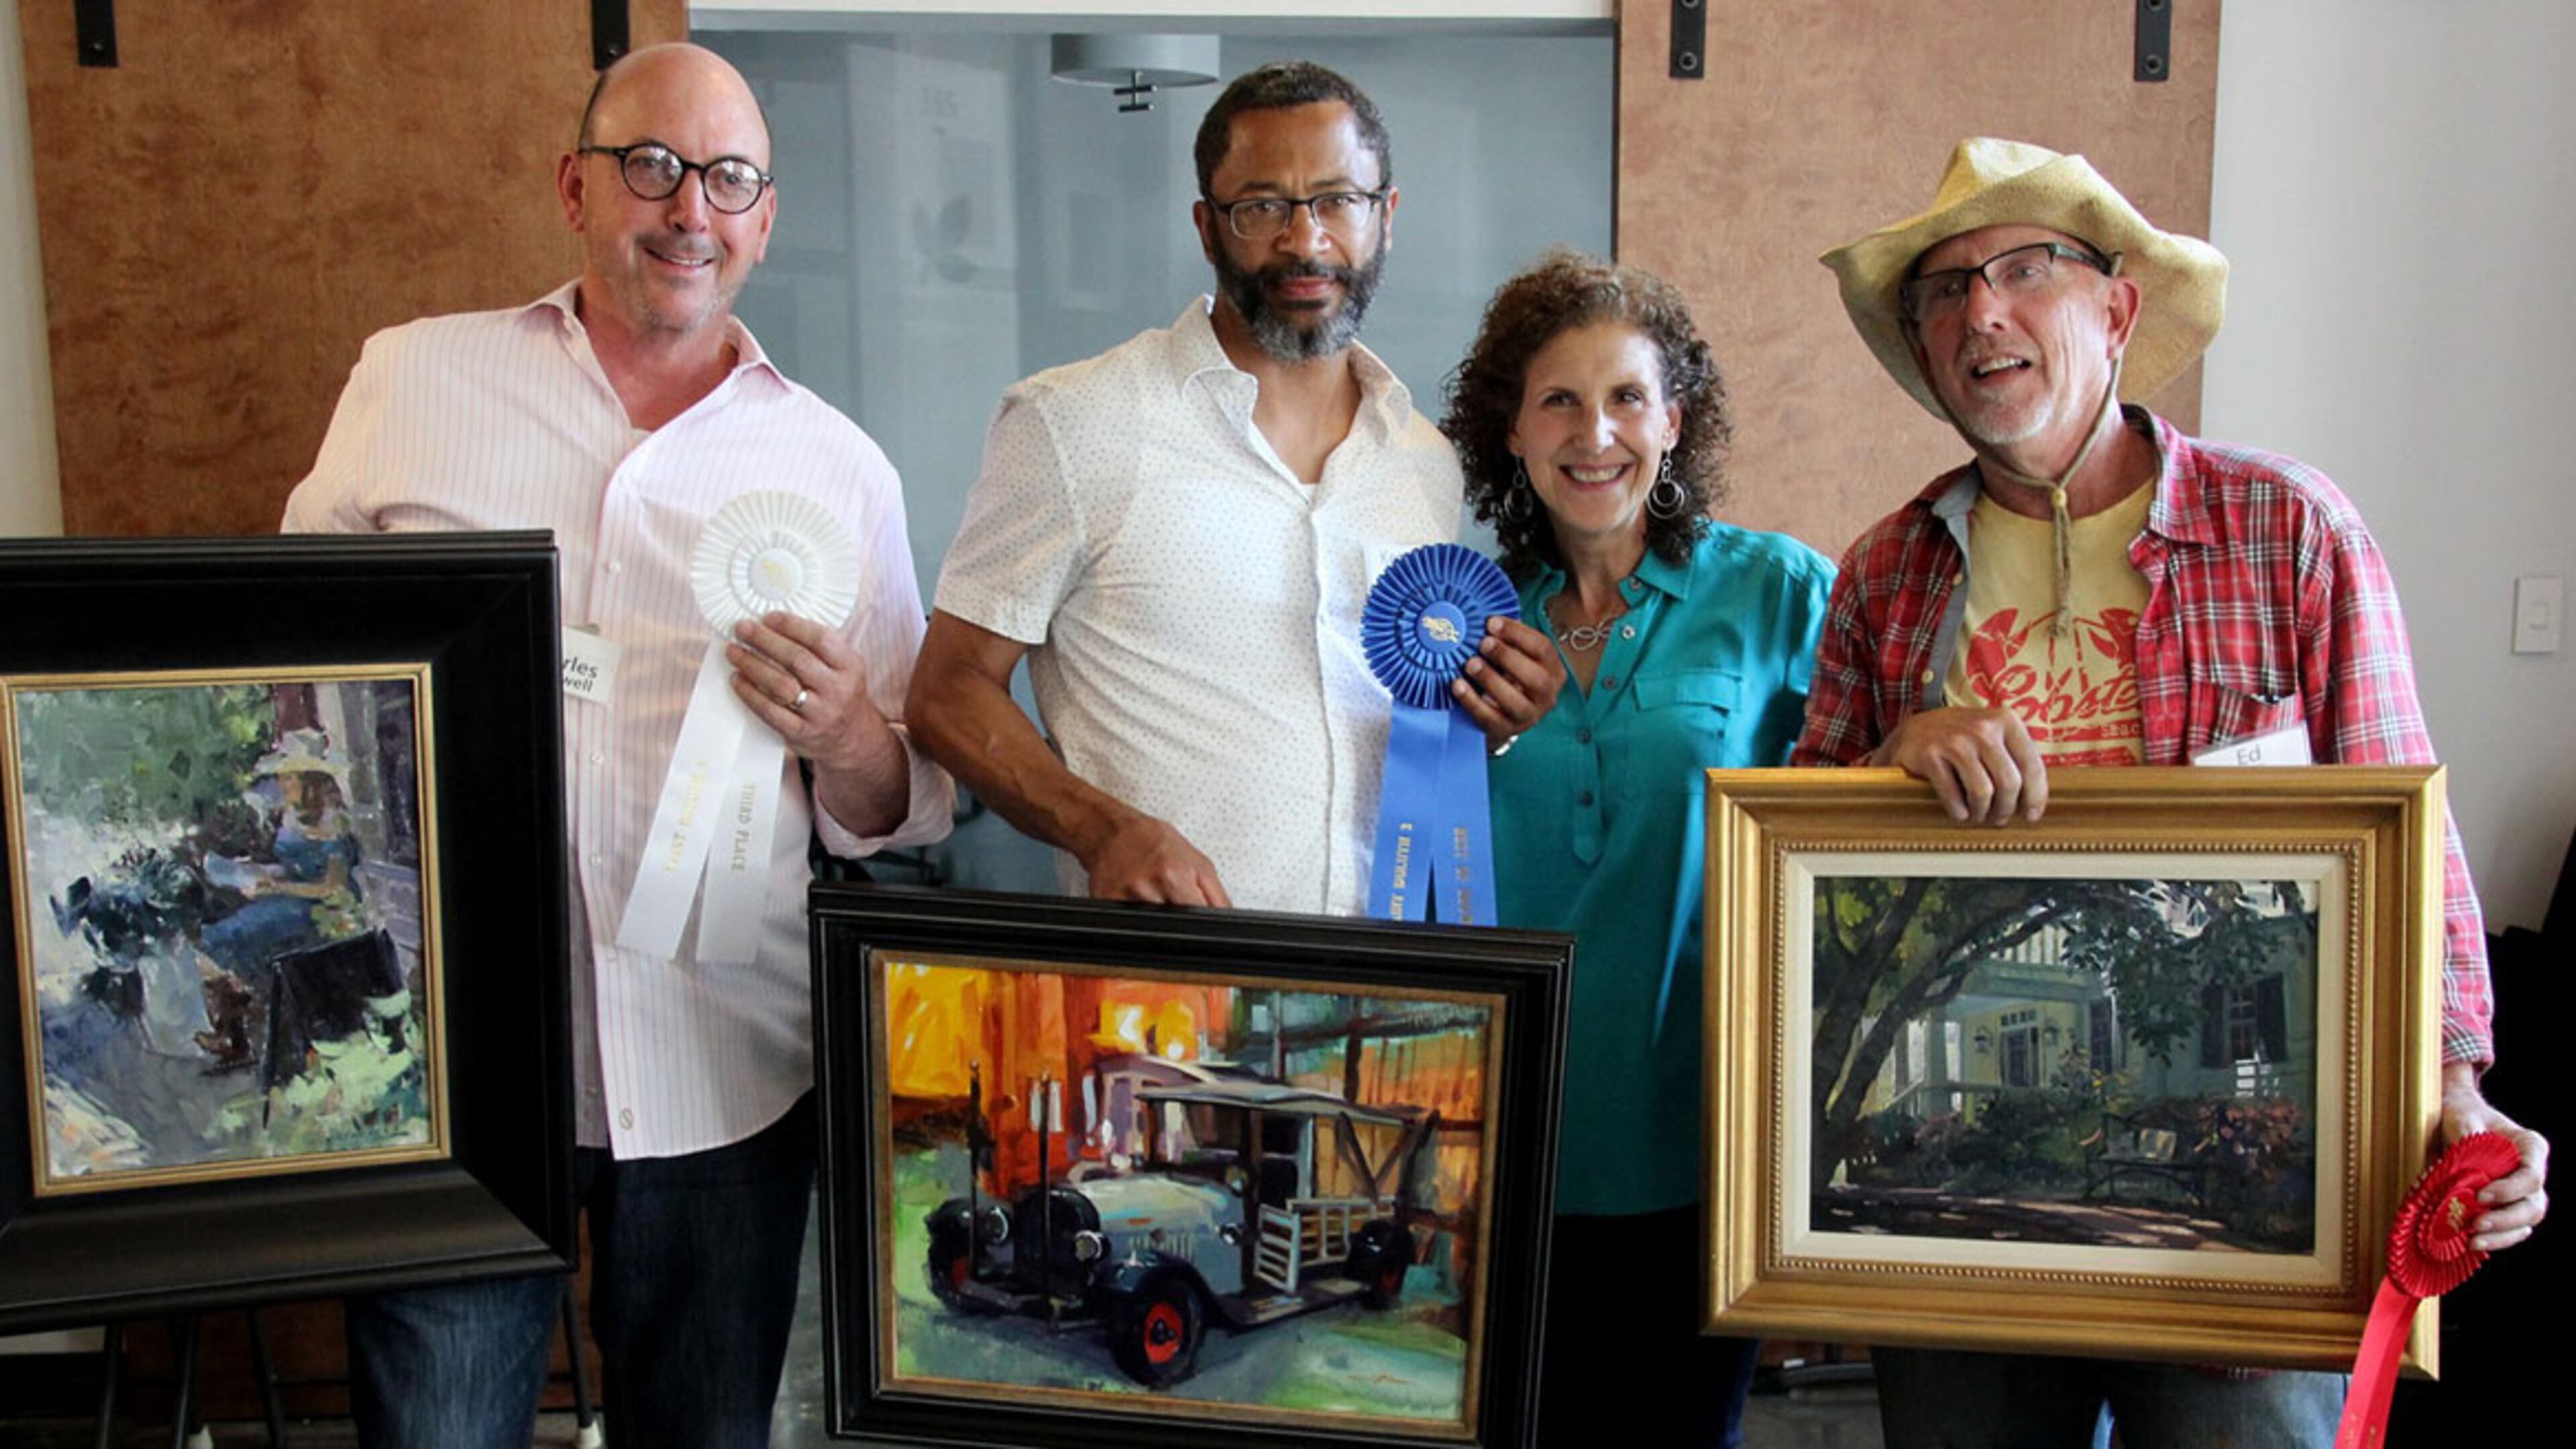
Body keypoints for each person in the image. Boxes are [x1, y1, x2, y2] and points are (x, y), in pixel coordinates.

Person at [1801, 136, 2551, 1448]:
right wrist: (1884, 766)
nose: (1980, 311)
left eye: (2022, 269)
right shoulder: (1885, 574)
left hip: (2252, 1227)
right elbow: (1799, 892)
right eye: (1942, 290)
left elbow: (2406, 837)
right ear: (1926, 351)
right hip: (1954, 1228)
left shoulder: (2292, 531)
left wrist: (2457, 1084)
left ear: (2116, 307)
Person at [282, 43, 951, 1449]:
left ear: (765, 219)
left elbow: (901, 807)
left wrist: (844, 734)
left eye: (727, 179)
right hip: (456, 1063)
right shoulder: (410, 382)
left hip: (725, 1070)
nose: (685, 209)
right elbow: (291, 676)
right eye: (650, 166)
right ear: (576, 185)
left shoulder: (842, 468)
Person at [907, 61, 1557, 914]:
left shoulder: (1423, 463)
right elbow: (946, 692)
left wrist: (1487, 722)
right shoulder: (1075, 421)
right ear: (1208, 229)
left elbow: (1398, 736)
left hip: (1380, 992)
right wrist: (1100, 830)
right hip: (1166, 1003)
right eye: (1262, 207)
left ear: (1385, 218)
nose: (1305, 240)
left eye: (1336, 200)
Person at [1440, 251, 1833, 1446]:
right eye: (1558, 399)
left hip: (1706, 1150)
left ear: (1675, 420)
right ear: (1510, 429)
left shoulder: (1779, 594)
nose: (1593, 433)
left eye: (1625, 399)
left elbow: (1875, 810)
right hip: (1502, 1150)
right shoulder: (1457, 619)